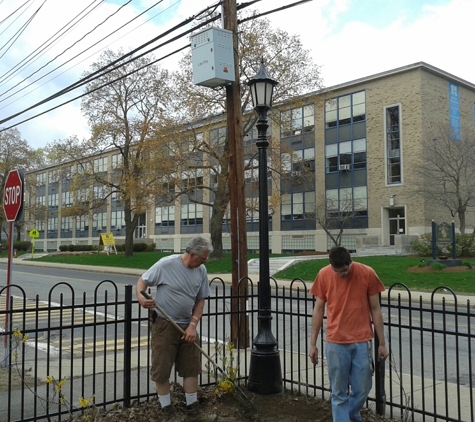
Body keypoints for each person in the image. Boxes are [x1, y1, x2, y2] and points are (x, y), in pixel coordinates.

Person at [136, 236, 217, 422]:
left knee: (191, 369)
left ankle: (193, 411)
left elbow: (201, 300)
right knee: (162, 369)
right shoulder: (166, 264)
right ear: (191, 254)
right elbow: (142, 281)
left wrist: (192, 326)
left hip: (188, 326)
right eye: (203, 258)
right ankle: (167, 412)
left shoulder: (201, 270)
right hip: (165, 325)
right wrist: (142, 299)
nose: (205, 262)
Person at [308, 246, 389, 422]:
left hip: (361, 340)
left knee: (362, 389)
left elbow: (375, 309)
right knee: (338, 392)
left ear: (350, 263)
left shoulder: (367, 273)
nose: (341, 275)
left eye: (344, 271)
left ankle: (349, 416)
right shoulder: (324, 274)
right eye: (337, 272)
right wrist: (312, 343)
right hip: (335, 342)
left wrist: (382, 343)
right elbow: (318, 309)